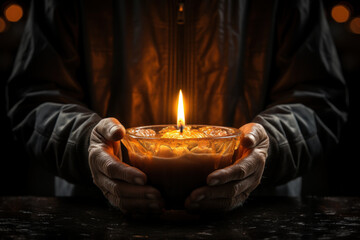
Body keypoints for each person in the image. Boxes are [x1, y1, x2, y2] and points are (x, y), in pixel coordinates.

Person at [6, 0, 347, 214]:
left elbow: (317, 96)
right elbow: (36, 93)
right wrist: (84, 143)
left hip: (257, 215)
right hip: (97, 214)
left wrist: (271, 144)